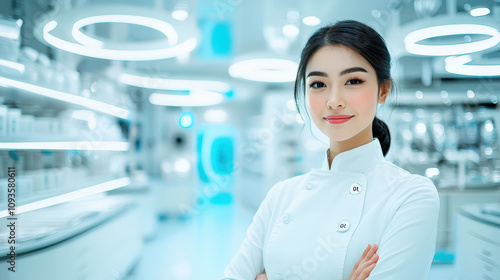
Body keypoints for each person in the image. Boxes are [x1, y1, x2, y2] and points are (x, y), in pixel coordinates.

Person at [220, 19, 440, 280]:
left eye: (353, 81)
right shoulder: (281, 195)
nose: (334, 101)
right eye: (318, 84)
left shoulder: (410, 195)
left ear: (383, 90)